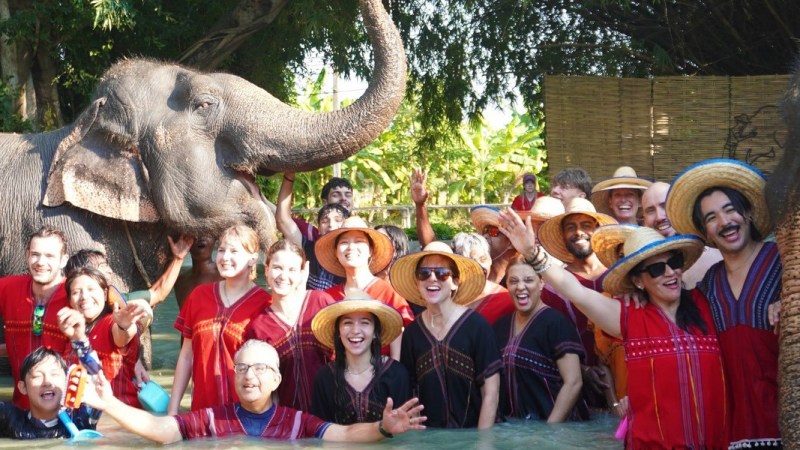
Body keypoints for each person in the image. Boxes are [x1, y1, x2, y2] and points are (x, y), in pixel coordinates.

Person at [498, 211, 728, 448]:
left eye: (674, 263)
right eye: (657, 269)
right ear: (639, 281)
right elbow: (576, 291)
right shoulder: (629, 315)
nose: (670, 273)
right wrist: (531, 252)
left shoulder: (705, 303)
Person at [84, 339, 426, 444]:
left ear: (277, 379)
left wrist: (383, 429)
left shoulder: (297, 423)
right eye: (243, 368)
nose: (250, 376)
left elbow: (347, 433)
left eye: (260, 369)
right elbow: (162, 431)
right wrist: (109, 404)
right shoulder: (212, 419)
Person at [667, 158, 781, 449]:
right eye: (712, 217)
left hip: (788, 423)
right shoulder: (709, 284)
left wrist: (793, 305)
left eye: (730, 210)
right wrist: (636, 290)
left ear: (748, 213)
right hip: (732, 434)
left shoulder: (784, 261)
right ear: (706, 233)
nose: (725, 222)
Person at [391, 242, 502, 429]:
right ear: (417, 282)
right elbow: (411, 393)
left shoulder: (477, 326)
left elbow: (491, 392)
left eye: (442, 273)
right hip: (432, 437)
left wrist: (484, 442)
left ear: (455, 282)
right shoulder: (412, 332)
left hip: (474, 433)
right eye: (424, 274)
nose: (432, 279)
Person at [168, 224, 272, 414]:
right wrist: (172, 412)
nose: (225, 258)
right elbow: (186, 356)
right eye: (222, 250)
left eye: (234, 251)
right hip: (201, 411)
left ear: (252, 259)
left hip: (247, 415)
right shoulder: (199, 295)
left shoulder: (265, 304)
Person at [494, 255, 588, 422]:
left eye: (528, 280)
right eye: (513, 281)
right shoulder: (500, 326)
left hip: (556, 430)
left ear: (541, 283)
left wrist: (549, 431)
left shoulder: (556, 323)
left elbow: (573, 382)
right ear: (507, 285)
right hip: (516, 429)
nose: (520, 287)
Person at [244, 240, 335, 411]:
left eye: (292, 270)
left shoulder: (321, 303)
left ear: (302, 274)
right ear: (267, 270)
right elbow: (264, 388)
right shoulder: (258, 327)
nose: (283, 276)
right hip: (289, 420)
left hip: (332, 415)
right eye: (277, 267)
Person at [536, 198, 616, 390]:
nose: (578, 232)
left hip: (627, 381)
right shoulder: (554, 286)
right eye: (571, 227)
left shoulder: (619, 275)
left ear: (597, 230)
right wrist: (584, 370)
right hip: (577, 389)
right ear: (563, 235)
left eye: (586, 225)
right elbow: (551, 343)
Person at [317, 216, 414, 359]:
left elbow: (404, 334)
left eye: (359, 241)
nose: (351, 247)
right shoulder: (326, 296)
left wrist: (393, 372)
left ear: (370, 250)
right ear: (336, 252)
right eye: (344, 242)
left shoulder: (388, 292)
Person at [310, 292, 411, 424]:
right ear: (338, 332)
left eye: (365, 322)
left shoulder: (396, 374)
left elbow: (405, 434)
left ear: (375, 332)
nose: (355, 330)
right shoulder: (325, 377)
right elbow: (320, 432)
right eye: (347, 323)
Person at [57, 267, 150, 407]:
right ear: (70, 301)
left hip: (118, 420)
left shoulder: (110, 323)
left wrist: (124, 326)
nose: (84, 297)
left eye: (91, 289)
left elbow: (122, 338)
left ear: (105, 294)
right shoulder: (72, 333)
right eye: (76, 292)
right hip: (84, 420)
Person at [0, 226, 70, 408]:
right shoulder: (9, 289)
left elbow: (115, 318)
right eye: (35, 254)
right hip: (20, 412)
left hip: (66, 413)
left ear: (63, 260)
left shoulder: (77, 294)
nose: (40, 262)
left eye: (49, 256)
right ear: (27, 255)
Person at [0, 347, 99, 439]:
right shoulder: (10, 420)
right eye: (37, 376)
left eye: (54, 374)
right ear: (23, 387)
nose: (47, 382)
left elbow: (98, 382)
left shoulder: (81, 419)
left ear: (67, 382)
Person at [641, 181, 722, 289]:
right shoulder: (642, 270)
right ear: (644, 218)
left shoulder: (715, 258)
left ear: (678, 208)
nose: (659, 217)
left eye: (664, 206)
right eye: (650, 210)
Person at [277, 172, 350, 290]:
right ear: (319, 229)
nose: (331, 225)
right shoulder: (310, 249)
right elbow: (282, 220)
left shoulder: (352, 256)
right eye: (325, 221)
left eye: (338, 220)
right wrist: (289, 177)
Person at [450, 232, 514, 325]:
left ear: (490, 259)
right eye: (471, 262)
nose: (480, 267)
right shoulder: (447, 295)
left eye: (483, 259)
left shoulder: (506, 300)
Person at [286, 175, 355, 242]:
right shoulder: (312, 235)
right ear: (325, 202)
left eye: (348, 195)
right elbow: (282, 219)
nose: (343, 198)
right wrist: (289, 176)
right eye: (336, 195)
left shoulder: (362, 231)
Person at [471, 205, 517, 284]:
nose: (485, 236)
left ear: (511, 243)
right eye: (485, 230)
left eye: (493, 231)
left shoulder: (520, 278)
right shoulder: (473, 274)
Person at [174, 236, 222, 310]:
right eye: (194, 233)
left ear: (215, 238)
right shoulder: (180, 280)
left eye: (207, 231)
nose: (201, 237)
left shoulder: (225, 275)